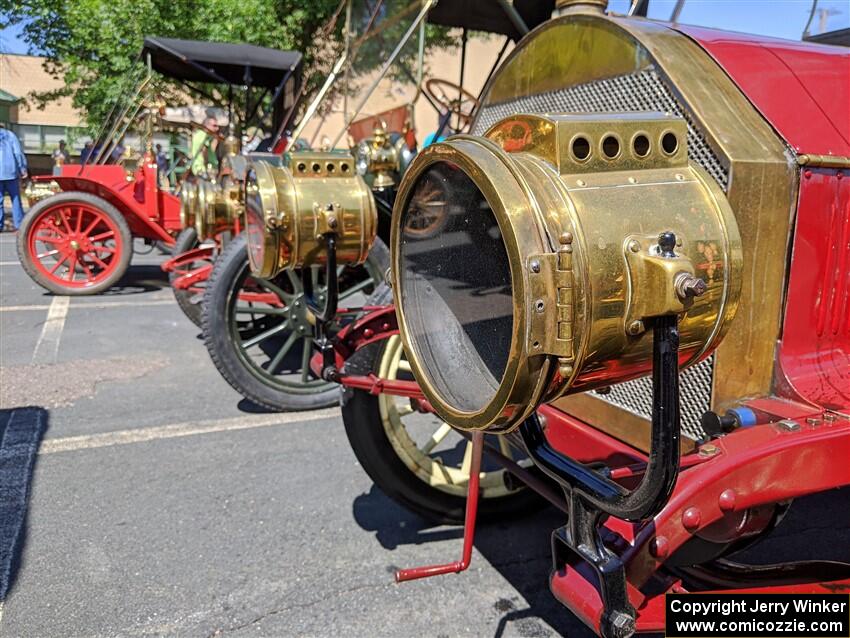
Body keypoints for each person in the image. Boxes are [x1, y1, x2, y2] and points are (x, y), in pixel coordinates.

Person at [0, 123, 28, 231]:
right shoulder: (10, 135)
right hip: (11, 171)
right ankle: (19, 224)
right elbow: (17, 153)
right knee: (15, 198)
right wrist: (22, 169)